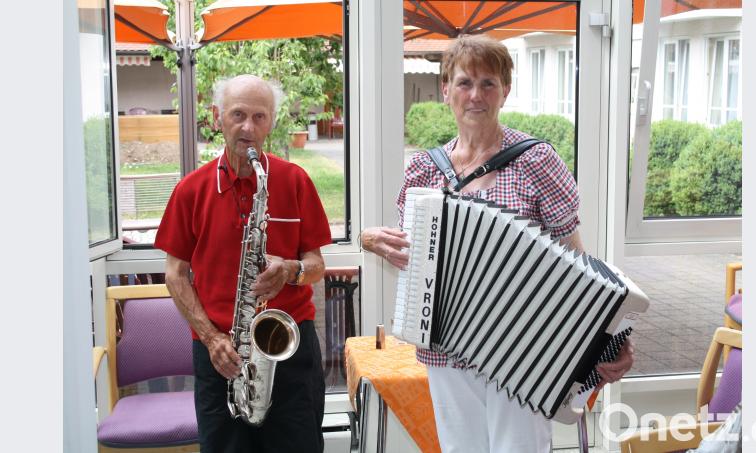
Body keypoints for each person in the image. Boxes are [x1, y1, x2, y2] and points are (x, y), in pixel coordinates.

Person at [360, 35, 634, 453]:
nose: (476, 95)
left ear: (506, 90)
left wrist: (605, 338)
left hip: (523, 350)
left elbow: (578, 261)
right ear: (446, 89)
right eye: (465, 82)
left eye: (488, 83)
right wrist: (372, 240)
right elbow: (413, 257)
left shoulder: (535, 161)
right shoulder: (423, 170)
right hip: (444, 346)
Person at [155, 74, 332, 453]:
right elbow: (174, 275)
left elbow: (316, 264)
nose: (248, 127)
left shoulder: (295, 180)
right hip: (221, 353)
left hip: (290, 348)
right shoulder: (190, 190)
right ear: (218, 116)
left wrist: (289, 270)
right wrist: (212, 338)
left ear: (272, 122)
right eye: (238, 114)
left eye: (259, 116)